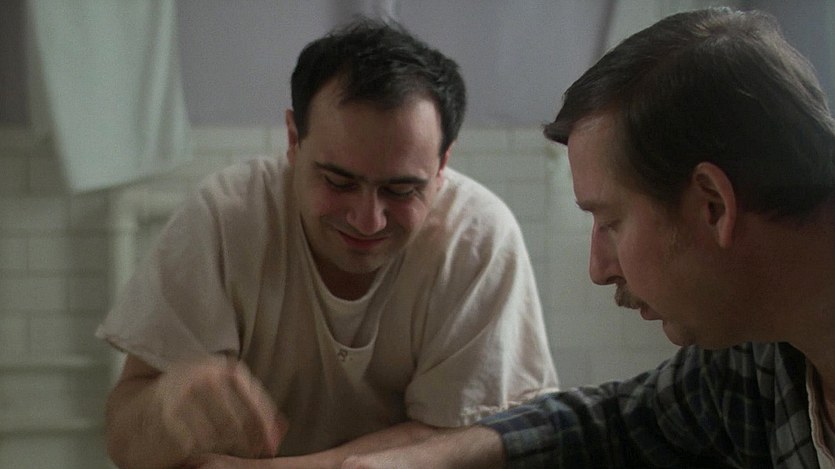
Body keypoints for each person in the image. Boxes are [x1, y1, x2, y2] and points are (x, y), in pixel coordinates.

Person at [341, 7, 835, 469]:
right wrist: (421, 460)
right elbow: (618, 422)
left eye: (610, 222)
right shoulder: (752, 352)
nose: (599, 269)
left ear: (714, 205)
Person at [96, 18, 558, 469]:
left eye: (401, 190)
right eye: (338, 181)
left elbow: (466, 442)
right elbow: (124, 441)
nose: (367, 219)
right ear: (293, 140)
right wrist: (164, 410)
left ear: (442, 167)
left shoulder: (477, 240)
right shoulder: (225, 219)